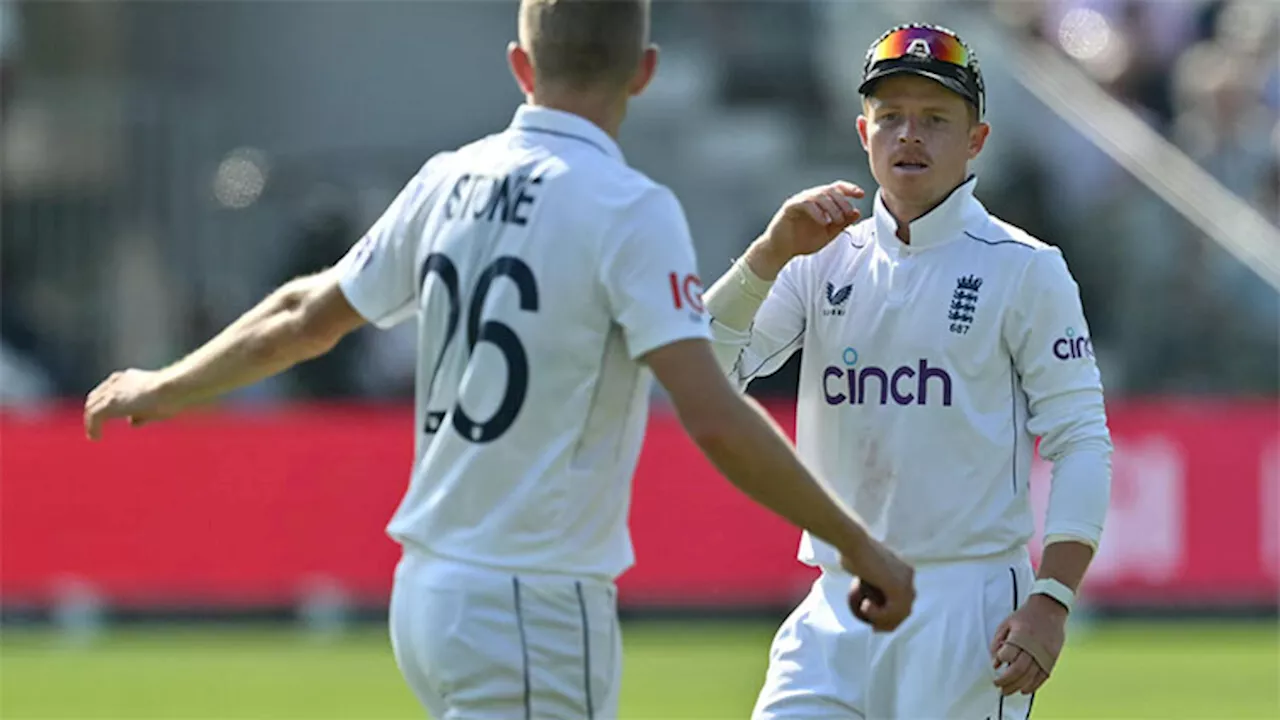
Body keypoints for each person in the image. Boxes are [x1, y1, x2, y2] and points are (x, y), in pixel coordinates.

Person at [82, 2, 915, 717]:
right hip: (531, 598)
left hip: (429, 591)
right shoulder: (628, 207)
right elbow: (713, 414)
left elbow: (305, 315)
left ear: (521, 64)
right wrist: (856, 542)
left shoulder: (450, 179)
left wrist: (165, 382)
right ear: (645, 71)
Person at [704, 23, 1113, 720]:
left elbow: (1081, 441)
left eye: (933, 119)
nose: (908, 136)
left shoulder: (1024, 268)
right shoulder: (818, 255)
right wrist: (769, 254)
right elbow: (705, 372)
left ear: (976, 140)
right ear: (863, 132)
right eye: (890, 117)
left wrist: (1052, 598)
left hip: (968, 608)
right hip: (836, 601)